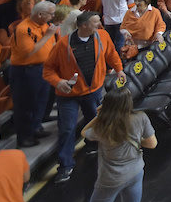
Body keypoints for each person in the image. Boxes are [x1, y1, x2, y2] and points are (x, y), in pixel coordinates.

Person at [43, 11, 123, 183]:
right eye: (95, 21)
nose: (99, 23)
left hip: (92, 90)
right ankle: (65, 165)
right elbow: (48, 70)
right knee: (67, 128)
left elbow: (111, 54)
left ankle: (92, 144)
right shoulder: (63, 44)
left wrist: (119, 69)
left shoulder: (102, 36)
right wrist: (58, 82)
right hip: (68, 95)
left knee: (93, 120)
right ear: (84, 25)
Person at [80, 89, 156, 202]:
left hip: (109, 181)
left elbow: (84, 132)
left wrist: (98, 116)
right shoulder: (140, 117)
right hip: (135, 173)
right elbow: (152, 143)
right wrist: (136, 141)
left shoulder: (103, 125)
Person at [10, 0, 57, 147]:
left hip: (43, 67)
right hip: (26, 71)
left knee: (41, 101)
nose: (53, 16)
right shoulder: (23, 29)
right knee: (26, 105)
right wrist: (47, 36)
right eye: (51, 14)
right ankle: (24, 137)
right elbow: (28, 52)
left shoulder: (45, 24)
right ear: (40, 14)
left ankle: (36, 128)